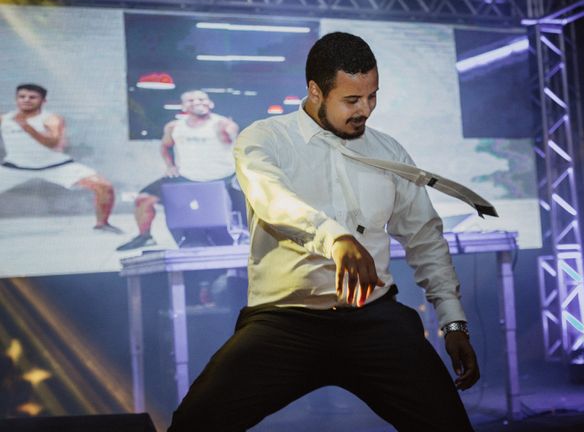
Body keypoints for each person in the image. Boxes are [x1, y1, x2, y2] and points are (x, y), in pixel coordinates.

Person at [168, 32, 480, 431]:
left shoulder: (388, 152)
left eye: (372, 96)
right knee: (194, 423)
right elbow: (272, 200)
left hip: (374, 320)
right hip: (284, 322)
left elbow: (424, 238)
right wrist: (337, 238)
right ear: (315, 91)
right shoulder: (264, 139)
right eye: (351, 100)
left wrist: (452, 322)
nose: (365, 109)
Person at [117, 90, 242, 251]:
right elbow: (165, 146)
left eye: (202, 99)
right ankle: (145, 236)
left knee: (243, 209)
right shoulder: (174, 127)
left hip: (222, 178)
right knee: (143, 199)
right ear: (183, 106)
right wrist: (171, 166)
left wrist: (231, 134)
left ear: (210, 104)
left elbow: (237, 142)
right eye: (191, 100)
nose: (197, 102)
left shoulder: (223, 124)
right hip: (187, 177)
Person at [0, 84, 120, 232]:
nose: (26, 100)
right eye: (22, 97)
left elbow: (53, 143)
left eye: (32, 97)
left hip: (56, 166)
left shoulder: (52, 119)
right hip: (15, 167)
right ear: (16, 99)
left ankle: (102, 224)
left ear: (43, 101)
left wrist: (26, 127)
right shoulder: (5, 119)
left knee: (104, 186)